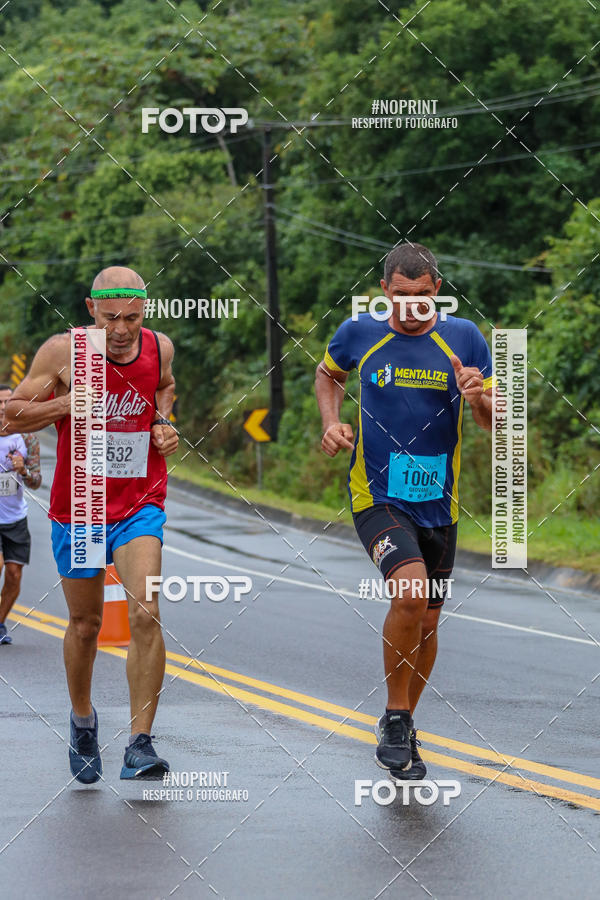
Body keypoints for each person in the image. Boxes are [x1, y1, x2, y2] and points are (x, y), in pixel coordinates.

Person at [315, 243, 495, 780]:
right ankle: (394, 717)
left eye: (422, 297)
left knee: (429, 622)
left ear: (436, 290)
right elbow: (328, 375)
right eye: (401, 297)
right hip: (377, 496)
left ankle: (404, 726)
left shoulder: (465, 339)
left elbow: (496, 423)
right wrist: (331, 421)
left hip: (440, 502)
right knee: (410, 591)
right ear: (384, 291)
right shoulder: (359, 335)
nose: (412, 308)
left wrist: (478, 395)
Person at [3, 266, 179, 783]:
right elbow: (11, 416)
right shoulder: (62, 353)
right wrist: (64, 402)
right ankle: (83, 720)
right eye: (110, 318)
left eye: (133, 316)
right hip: (80, 505)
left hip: (140, 501)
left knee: (146, 611)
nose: (122, 329)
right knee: (86, 626)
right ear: (90, 310)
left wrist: (163, 423)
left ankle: (140, 744)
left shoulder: (160, 347)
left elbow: (165, 388)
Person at [0, 385, 42, 644]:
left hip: (15, 518)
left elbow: (37, 481)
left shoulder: (27, 438)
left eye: (8, 402)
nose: (3, 407)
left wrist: (23, 471)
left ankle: (0, 623)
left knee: (14, 574)